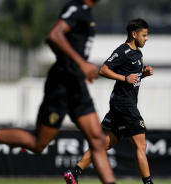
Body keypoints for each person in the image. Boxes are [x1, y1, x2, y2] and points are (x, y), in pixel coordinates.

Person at [0, 0, 116, 183]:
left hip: (76, 85)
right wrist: (80, 64)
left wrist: (77, 67)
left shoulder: (87, 12)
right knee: (38, 143)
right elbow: (53, 36)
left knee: (97, 141)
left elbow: (61, 45)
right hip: (61, 85)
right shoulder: (76, 8)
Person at [64, 18, 154, 184]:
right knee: (141, 146)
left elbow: (132, 77)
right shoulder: (123, 51)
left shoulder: (138, 54)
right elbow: (103, 70)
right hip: (124, 105)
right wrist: (124, 78)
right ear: (134, 34)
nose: (146, 38)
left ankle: (73, 173)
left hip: (120, 105)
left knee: (104, 144)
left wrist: (143, 74)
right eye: (144, 35)